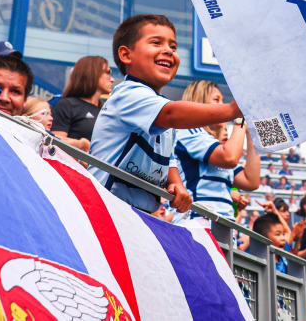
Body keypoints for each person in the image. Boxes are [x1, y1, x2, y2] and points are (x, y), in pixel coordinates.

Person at [87, 14, 240, 216]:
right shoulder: (127, 94)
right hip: (101, 207)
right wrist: (231, 111)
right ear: (126, 55)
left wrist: (176, 183)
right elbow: (172, 113)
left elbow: (169, 159)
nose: (168, 50)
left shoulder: (158, 106)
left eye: (173, 47)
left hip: (133, 214)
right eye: (156, 42)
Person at [174, 79, 261, 219]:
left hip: (222, 227)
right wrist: (240, 118)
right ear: (199, 103)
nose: (223, 105)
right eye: (216, 100)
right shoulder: (188, 132)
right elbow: (230, 157)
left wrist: (252, 132)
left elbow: (251, 181)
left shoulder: (214, 145)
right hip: (197, 223)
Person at [49, 55, 112, 152]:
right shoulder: (67, 105)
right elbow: (53, 142)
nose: (112, 79)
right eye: (108, 72)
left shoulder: (105, 111)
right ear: (92, 72)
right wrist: (81, 144)